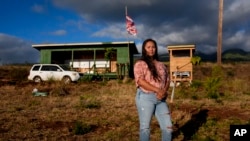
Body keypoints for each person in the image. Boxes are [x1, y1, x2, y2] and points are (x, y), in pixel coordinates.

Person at [134, 38, 172, 141]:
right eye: (148, 47)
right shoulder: (140, 63)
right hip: (146, 97)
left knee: (168, 127)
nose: (151, 49)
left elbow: (167, 80)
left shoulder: (161, 64)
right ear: (144, 49)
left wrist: (163, 91)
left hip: (161, 99)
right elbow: (140, 81)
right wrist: (157, 90)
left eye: (153, 47)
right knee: (145, 128)